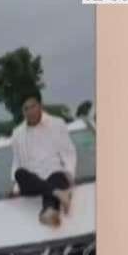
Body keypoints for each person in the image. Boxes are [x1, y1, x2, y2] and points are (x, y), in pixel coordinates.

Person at [9, 89, 77, 227]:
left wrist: (70, 175)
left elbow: (69, 152)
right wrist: (16, 188)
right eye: (26, 108)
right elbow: (17, 162)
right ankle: (59, 194)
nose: (30, 111)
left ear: (40, 105)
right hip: (33, 182)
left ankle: (49, 211)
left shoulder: (57, 124)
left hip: (55, 176)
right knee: (19, 173)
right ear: (23, 111)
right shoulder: (17, 134)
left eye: (33, 106)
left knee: (57, 176)